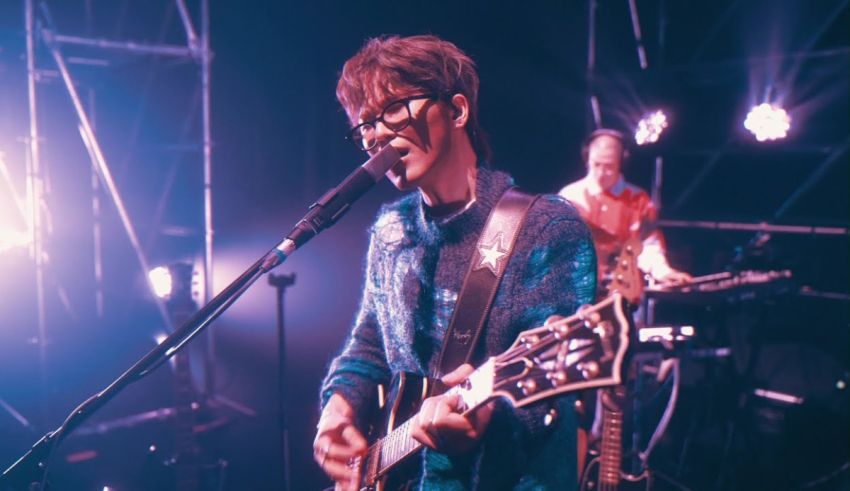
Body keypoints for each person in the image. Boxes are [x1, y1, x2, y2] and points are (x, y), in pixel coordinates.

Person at [312, 34, 596, 490]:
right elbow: (369, 345)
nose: (377, 134)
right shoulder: (391, 231)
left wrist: (485, 417)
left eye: (393, 110)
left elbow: (555, 388)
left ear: (458, 110)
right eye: (365, 125)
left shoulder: (546, 227)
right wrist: (339, 408)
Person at [559, 129, 691, 288]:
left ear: (621, 163)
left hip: (622, 293)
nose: (601, 173)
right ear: (587, 158)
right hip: (578, 292)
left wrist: (664, 272)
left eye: (608, 167)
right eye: (596, 164)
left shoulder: (638, 200)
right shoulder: (570, 196)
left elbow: (648, 246)